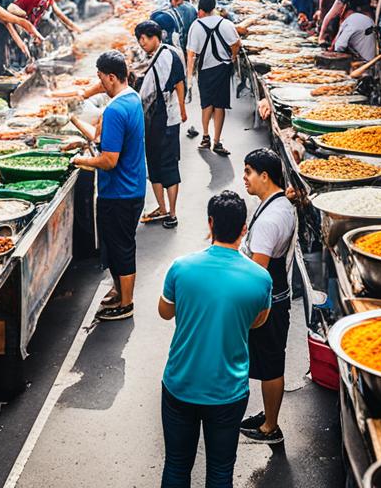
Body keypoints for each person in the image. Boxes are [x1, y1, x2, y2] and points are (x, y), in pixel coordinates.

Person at [158, 191, 271, 488]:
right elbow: (258, 322)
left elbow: (165, 312)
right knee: (221, 472)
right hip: (228, 390)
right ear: (244, 229)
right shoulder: (261, 279)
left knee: (176, 466)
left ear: (210, 223)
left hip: (180, 383)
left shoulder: (181, 267)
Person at [71, 51, 146, 321]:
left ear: (112, 77)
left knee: (121, 248)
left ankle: (126, 303)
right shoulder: (131, 97)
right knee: (116, 246)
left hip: (119, 192)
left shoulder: (114, 110)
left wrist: (79, 160)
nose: (99, 82)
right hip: (132, 187)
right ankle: (118, 291)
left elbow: (109, 160)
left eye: (101, 77)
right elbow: (102, 140)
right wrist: (74, 121)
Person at [239, 149, 296, 446]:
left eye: (249, 171)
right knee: (270, 361)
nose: (244, 177)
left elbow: (257, 273)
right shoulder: (280, 203)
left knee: (271, 365)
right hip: (278, 295)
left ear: (265, 176)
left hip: (269, 302)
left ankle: (270, 427)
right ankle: (268, 416)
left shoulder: (269, 221)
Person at [135, 21, 187, 229]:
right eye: (139, 39)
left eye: (144, 38)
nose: (141, 43)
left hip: (165, 119)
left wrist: (182, 108)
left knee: (165, 165)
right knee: (156, 163)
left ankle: (170, 212)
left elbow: (178, 83)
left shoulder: (167, 55)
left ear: (155, 36)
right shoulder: (155, 56)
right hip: (155, 120)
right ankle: (163, 209)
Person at [185, 0, 241, 156]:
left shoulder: (196, 26)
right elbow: (236, 43)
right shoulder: (226, 24)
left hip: (205, 70)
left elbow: (191, 54)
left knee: (206, 104)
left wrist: (189, 76)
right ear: (214, 8)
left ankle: (205, 137)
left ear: (201, 10)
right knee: (220, 105)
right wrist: (233, 57)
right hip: (223, 68)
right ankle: (217, 142)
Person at [332, 0, 378, 64]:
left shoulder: (350, 20)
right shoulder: (367, 19)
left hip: (361, 64)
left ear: (344, 7)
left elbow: (339, 46)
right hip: (371, 62)